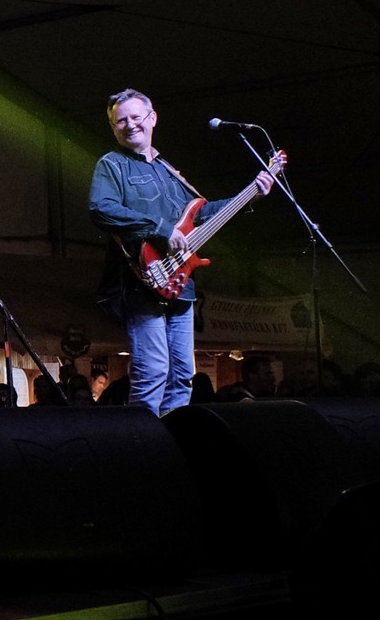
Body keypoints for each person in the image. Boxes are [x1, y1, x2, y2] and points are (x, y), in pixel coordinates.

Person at [88, 89, 275, 415]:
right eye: (121, 121)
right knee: (153, 372)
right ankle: (143, 439)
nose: (130, 125)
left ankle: (173, 436)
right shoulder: (113, 164)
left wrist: (251, 195)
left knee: (183, 376)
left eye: (136, 117)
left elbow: (201, 213)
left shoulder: (169, 170)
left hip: (180, 283)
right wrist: (162, 231)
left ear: (152, 118)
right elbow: (101, 209)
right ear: (113, 128)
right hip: (141, 282)